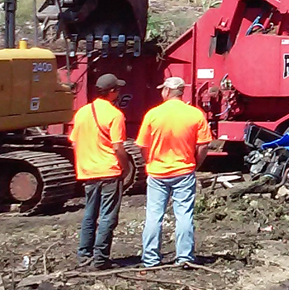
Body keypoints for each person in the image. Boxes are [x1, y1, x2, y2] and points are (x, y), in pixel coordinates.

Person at [137, 76, 213, 267]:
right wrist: (196, 164)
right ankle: (185, 257)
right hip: (184, 171)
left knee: (154, 216)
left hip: (157, 172)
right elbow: (204, 145)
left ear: (167, 91)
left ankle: (150, 258)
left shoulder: (153, 114)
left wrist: (150, 161)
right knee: (184, 215)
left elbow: (142, 145)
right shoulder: (195, 114)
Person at [69, 73, 131, 270]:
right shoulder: (115, 115)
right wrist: (126, 167)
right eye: (118, 89)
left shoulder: (82, 112)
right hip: (109, 171)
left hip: (88, 171)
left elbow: (75, 141)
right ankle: (100, 258)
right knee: (107, 216)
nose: (119, 92)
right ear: (112, 92)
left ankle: (84, 255)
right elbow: (118, 147)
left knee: (89, 213)